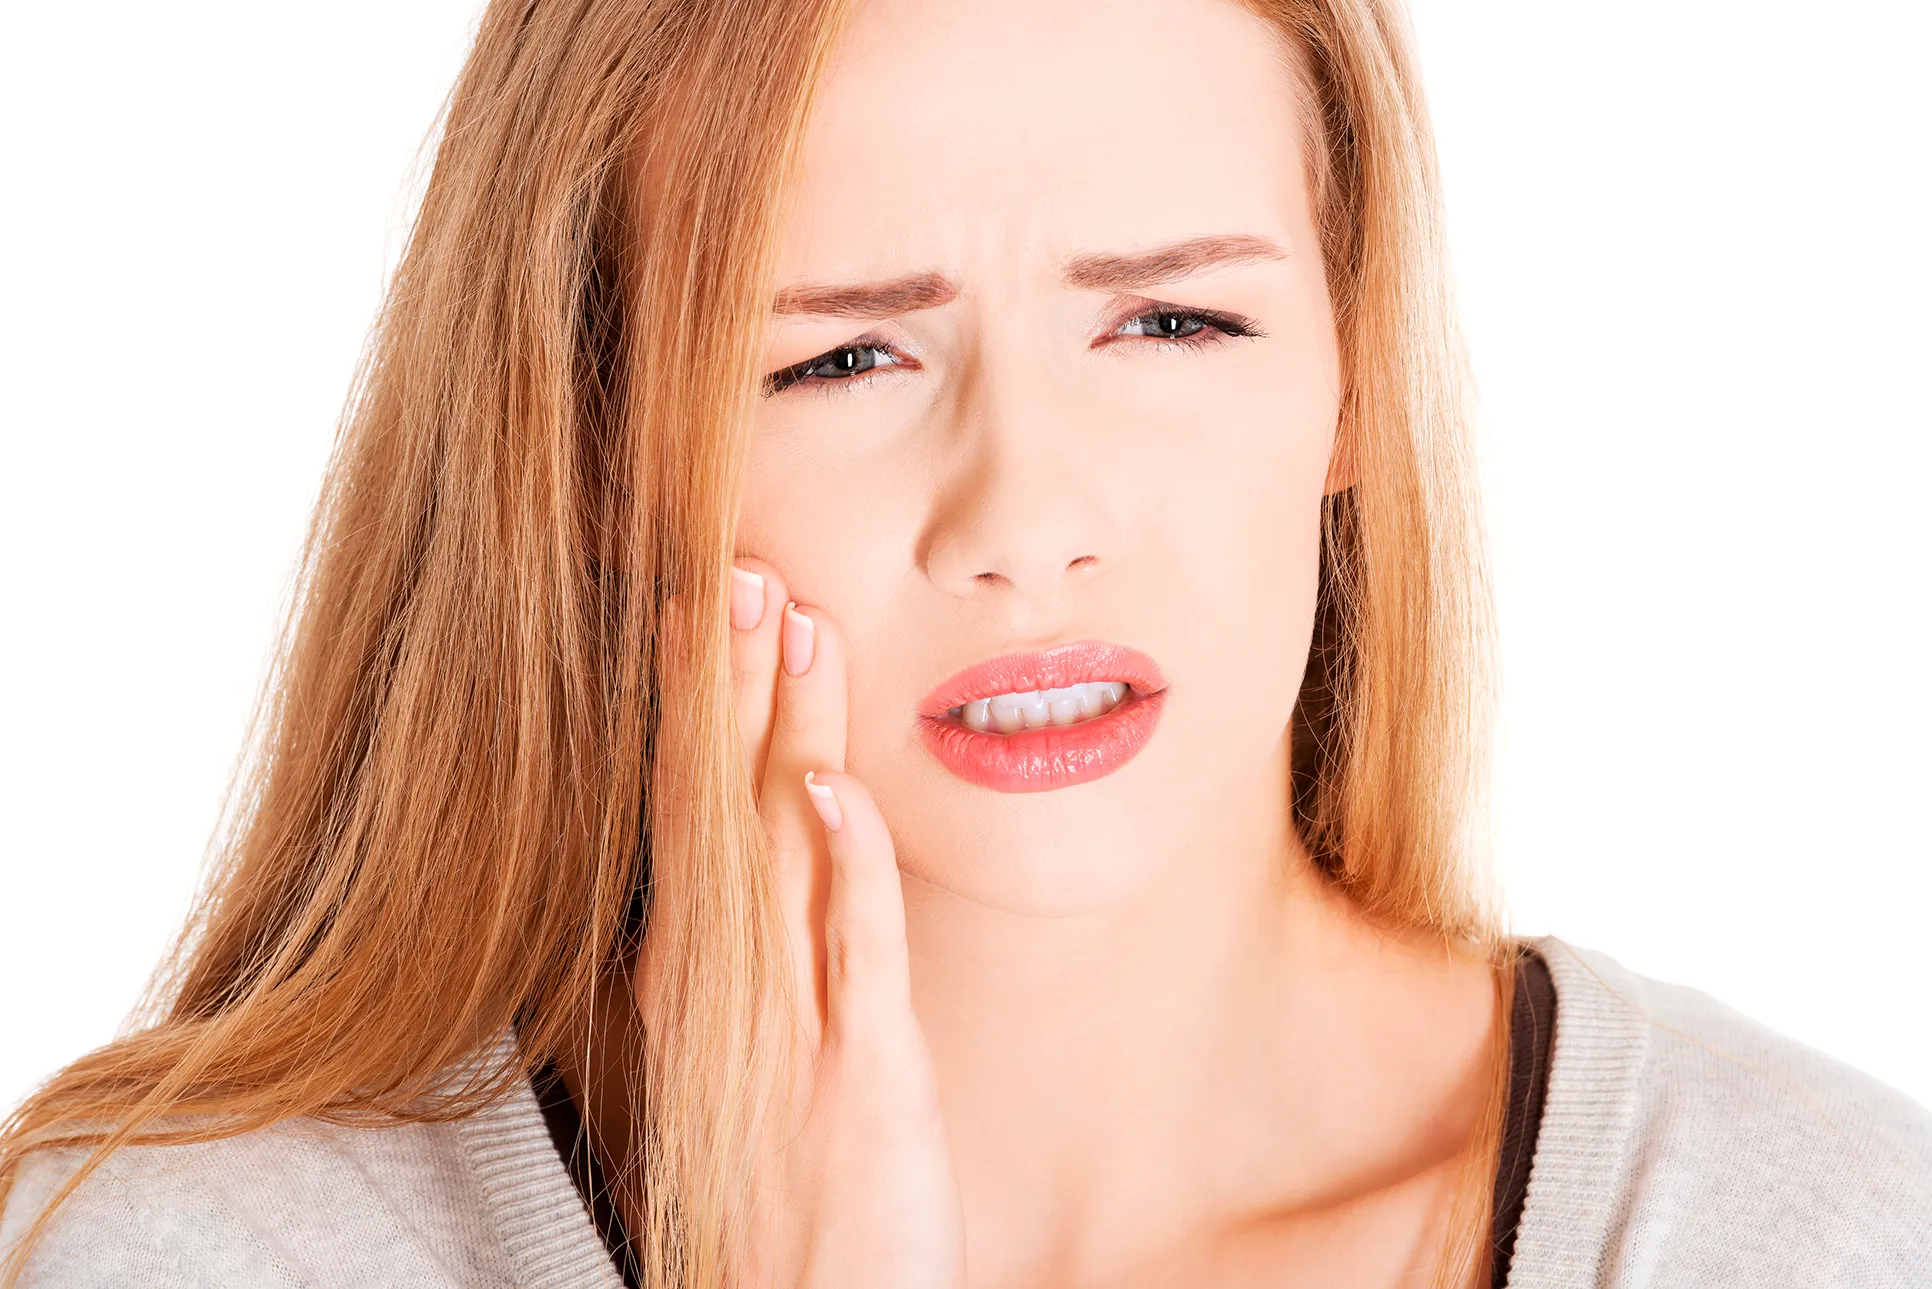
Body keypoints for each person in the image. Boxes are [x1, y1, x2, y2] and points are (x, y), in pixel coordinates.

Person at [2, 0, 1927, 1285]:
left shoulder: (1807, 1235)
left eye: (1174, 326)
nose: (1024, 522)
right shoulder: (201, 1249)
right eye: (843, 355)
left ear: (1350, 382)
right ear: (597, 457)